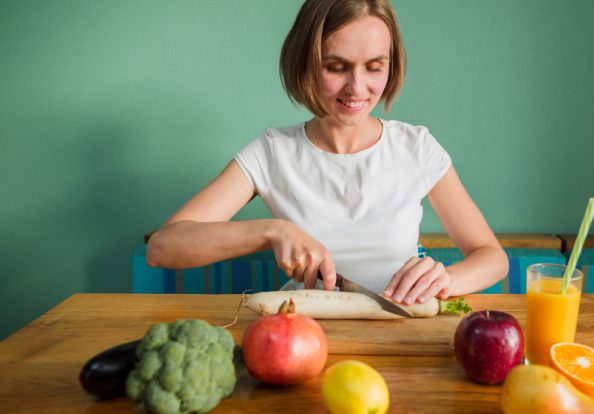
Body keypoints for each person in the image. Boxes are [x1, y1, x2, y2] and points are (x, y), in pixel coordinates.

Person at [146, 0, 508, 306]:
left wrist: (445, 279)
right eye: (335, 67)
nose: (357, 88)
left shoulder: (417, 148)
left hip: (403, 329)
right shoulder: (272, 153)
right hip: (302, 333)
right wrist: (271, 231)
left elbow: (492, 257)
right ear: (305, 62)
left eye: (374, 67)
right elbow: (163, 247)